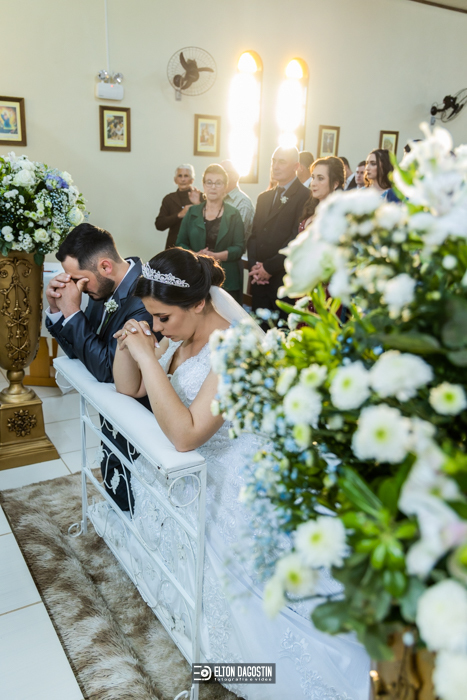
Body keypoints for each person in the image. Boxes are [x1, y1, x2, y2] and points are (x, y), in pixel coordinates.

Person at [110, 247, 370, 700]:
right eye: (150, 316)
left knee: (250, 613)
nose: (157, 326)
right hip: (196, 461)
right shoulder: (178, 335)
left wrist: (149, 359)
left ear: (198, 303)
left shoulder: (236, 349)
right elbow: (127, 386)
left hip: (236, 468)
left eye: (163, 317)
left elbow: (186, 435)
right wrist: (130, 344)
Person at [45, 223, 155, 511]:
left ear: (105, 266)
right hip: (111, 412)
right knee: (112, 477)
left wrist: (73, 311)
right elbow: (80, 351)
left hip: (141, 415)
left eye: (79, 279)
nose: (75, 287)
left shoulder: (145, 296)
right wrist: (58, 311)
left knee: (131, 493)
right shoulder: (101, 288)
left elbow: (107, 369)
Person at [247, 146, 310, 324]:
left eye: (282, 162)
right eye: (273, 161)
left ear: (296, 166)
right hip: (259, 280)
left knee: (280, 332)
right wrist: (255, 268)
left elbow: (296, 239)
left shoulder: (305, 196)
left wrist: (268, 268)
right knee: (258, 331)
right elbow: (253, 236)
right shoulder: (264, 198)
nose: (275, 166)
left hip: (282, 279)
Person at [176, 163, 244, 303]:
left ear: (225, 186)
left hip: (227, 279)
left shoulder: (234, 214)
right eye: (209, 182)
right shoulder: (192, 212)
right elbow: (180, 243)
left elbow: (239, 248)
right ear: (203, 185)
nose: (213, 187)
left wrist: (215, 256)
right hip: (196, 277)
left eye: (218, 183)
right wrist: (196, 255)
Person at [155, 164, 203, 249]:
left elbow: (209, 222)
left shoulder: (200, 197)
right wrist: (179, 215)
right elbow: (159, 225)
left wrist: (198, 205)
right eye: (180, 176)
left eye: (186, 176)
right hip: (173, 246)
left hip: (195, 246)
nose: (183, 179)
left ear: (192, 180)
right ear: (175, 180)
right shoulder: (169, 199)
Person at [299, 156, 346, 232]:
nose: (313, 183)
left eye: (320, 178)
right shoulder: (310, 205)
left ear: (335, 184)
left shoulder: (338, 214)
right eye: (313, 177)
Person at [221, 159, 255, 243]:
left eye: (223, 173)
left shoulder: (243, 202)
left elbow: (237, 236)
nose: (219, 177)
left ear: (235, 177)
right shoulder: (218, 199)